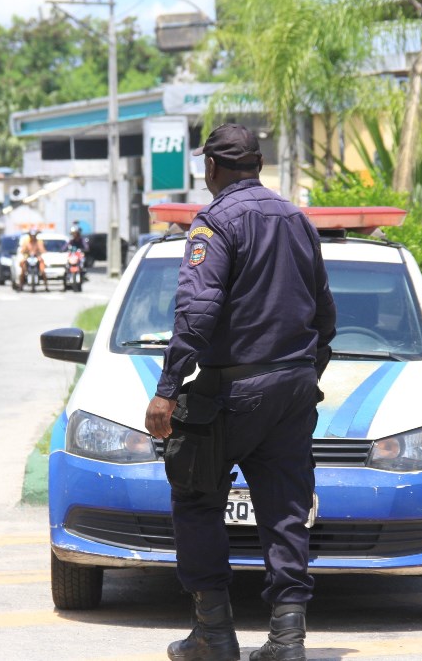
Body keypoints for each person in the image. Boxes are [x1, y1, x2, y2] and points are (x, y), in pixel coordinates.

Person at [145, 123, 336, 661]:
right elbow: (325, 314)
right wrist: (302, 375)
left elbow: (198, 312)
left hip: (234, 390)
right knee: (286, 510)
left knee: (196, 493)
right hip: (294, 388)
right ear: (258, 164)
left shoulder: (215, 221)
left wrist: (167, 389)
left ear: (211, 168)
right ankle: (287, 641)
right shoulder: (298, 219)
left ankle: (213, 634)